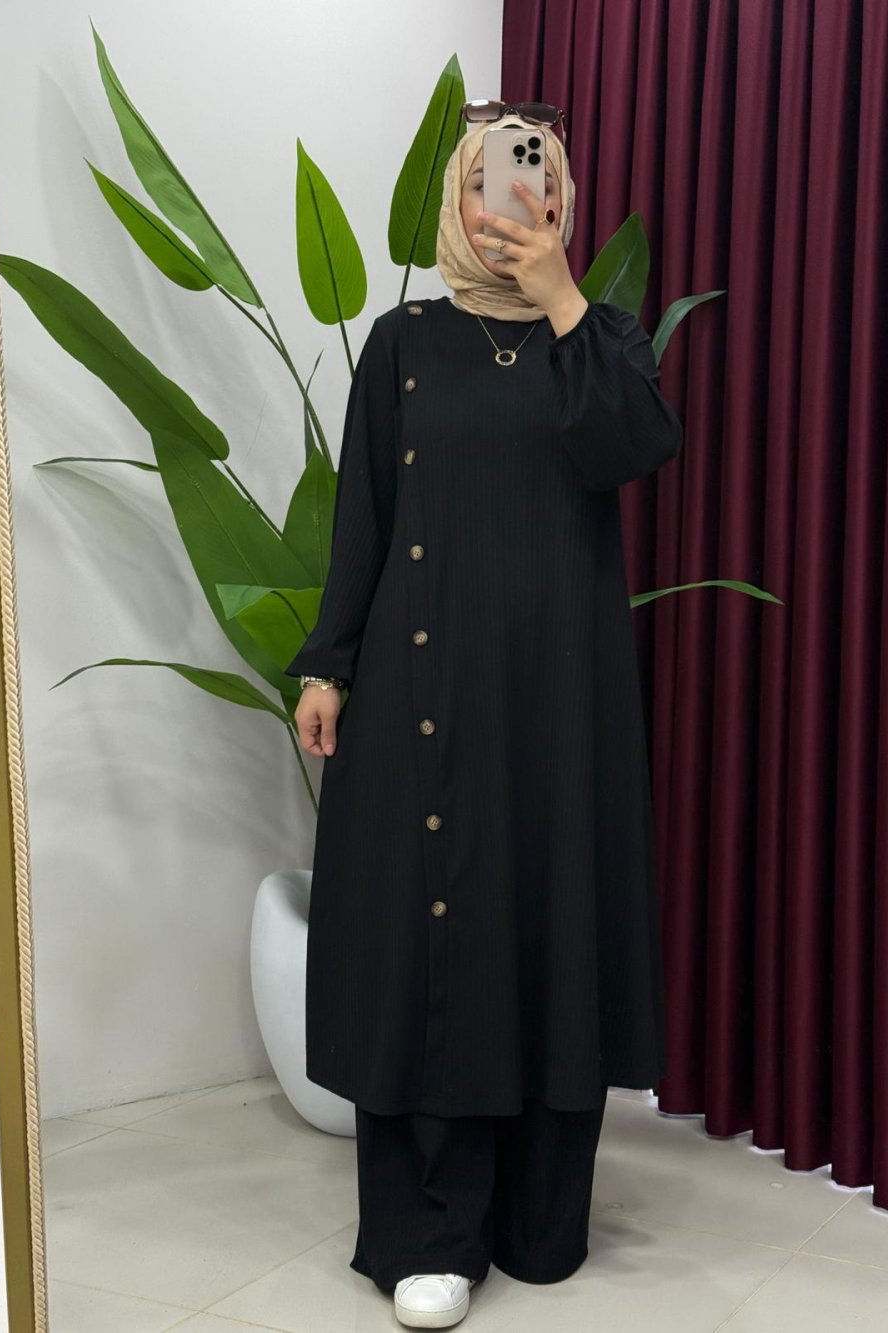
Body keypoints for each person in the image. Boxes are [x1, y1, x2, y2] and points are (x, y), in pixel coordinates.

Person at [285, 105, 683, 1328]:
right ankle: (429, 1227)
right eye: (490, 182)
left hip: (559, 705)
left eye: (537, 179)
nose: (512, 201)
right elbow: (364, 516)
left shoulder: (599, 339)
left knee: (544, 923)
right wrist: (326, 665)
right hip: (422, 693)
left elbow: (630, 448)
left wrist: (562, 298)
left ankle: (534, 1215)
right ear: (457, 202)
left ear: (560, 205)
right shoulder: (402, 343)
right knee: (432, 939)